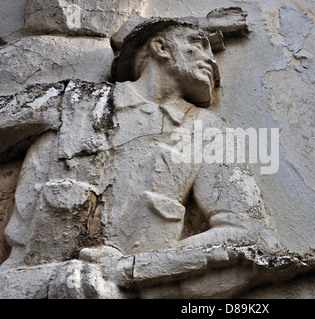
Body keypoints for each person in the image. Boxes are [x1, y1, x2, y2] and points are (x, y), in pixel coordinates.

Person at [0, 18, 279, 271]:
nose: (213, 62)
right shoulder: (75, 102)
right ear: (160, 47)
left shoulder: (207, 129)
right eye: (198, 44)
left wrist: (137, 267)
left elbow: (251, 232)